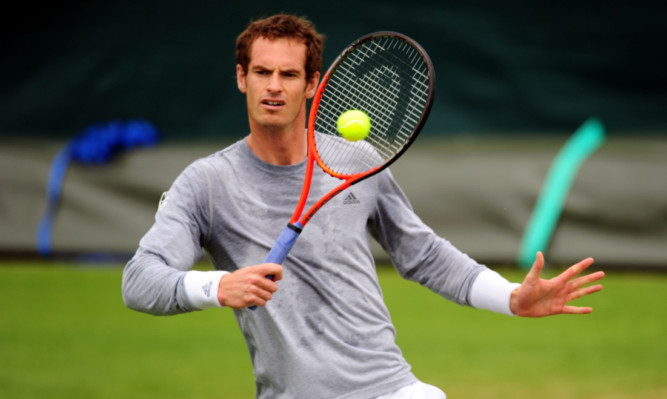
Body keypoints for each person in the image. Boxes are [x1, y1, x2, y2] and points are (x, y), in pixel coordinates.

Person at [122, 14, 605, 399]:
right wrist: (217, 285)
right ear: (241, 78)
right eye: (262, 72)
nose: (274, 86)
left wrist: (511, 298)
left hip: (390, 387)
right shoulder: (206, 183)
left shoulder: (356, 159)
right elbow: (140, 281)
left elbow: (423, 254)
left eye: (289, 74)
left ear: (312, 84)